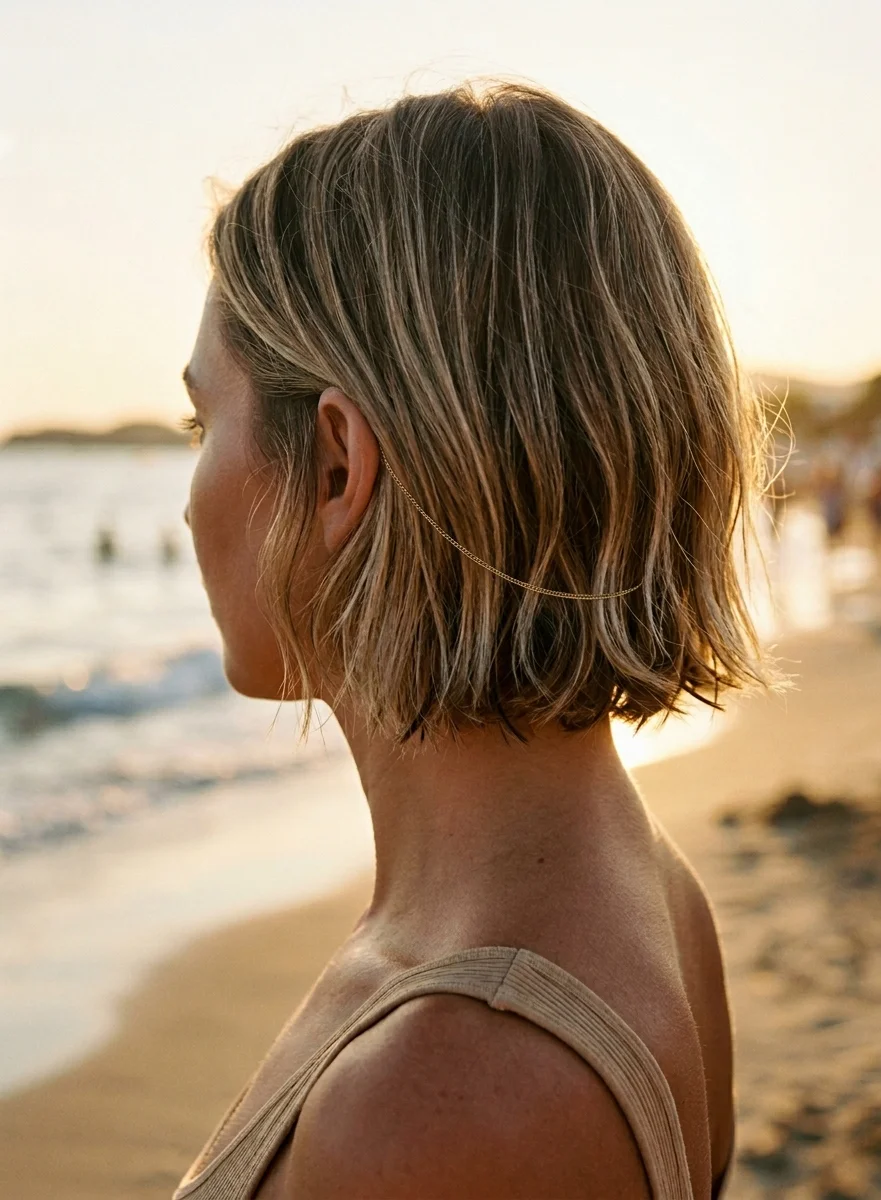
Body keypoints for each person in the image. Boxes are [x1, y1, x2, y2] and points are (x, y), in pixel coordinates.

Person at [175, 83, 775, 1200]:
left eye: (199, 423)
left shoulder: (440, 1104)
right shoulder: (650, 889)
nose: (186, 496)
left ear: (338, 465)